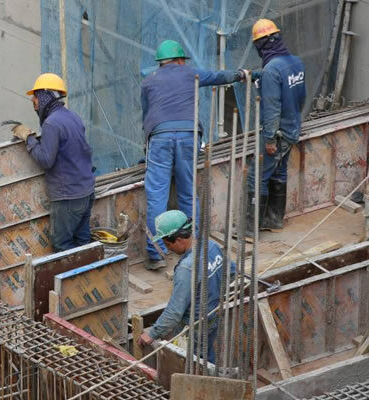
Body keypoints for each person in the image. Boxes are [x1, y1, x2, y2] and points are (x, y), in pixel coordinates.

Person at [141, 40, 247, 270]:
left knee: (156, 196)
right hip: (189, 136)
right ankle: (194, 246)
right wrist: (241, 74)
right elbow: (219, 77)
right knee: (188, 192)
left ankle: (155, 254)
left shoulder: (148, 81)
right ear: (180, 60)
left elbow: (146, 116)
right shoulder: (190, 73)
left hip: (159, 136)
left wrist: (148, 145)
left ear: (160, 63)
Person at [11, 73, 95, 253]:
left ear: (45, 96)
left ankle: (70, 281)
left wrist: (28, 138)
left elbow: (46, 160)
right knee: (83, 244)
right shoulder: (73, 117)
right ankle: (83, 280)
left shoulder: (51, 124)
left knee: (62, 246)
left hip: (68, 198)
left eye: (35, 96)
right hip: (86, 191)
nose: (33, 101)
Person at [137, 210, 235, 364]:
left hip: (193, 328)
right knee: (206, 359)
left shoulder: (187, 269)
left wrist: (152, 334)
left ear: (179, 239)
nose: (169, 249)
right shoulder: (211, 247)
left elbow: (175, 311)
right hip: (213, 318)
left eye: (168, 244)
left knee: (191, 365)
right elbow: (232, 272)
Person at [247, 19, 306, 233]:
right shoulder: (296, 62)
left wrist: (270, 139)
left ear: (261, 44)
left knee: (257, 176)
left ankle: (250, 229)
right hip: (291, 130)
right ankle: (274, 219)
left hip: (277, 134)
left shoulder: (271, 70)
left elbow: (271, 107)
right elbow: (300, 98)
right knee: (279, 172)